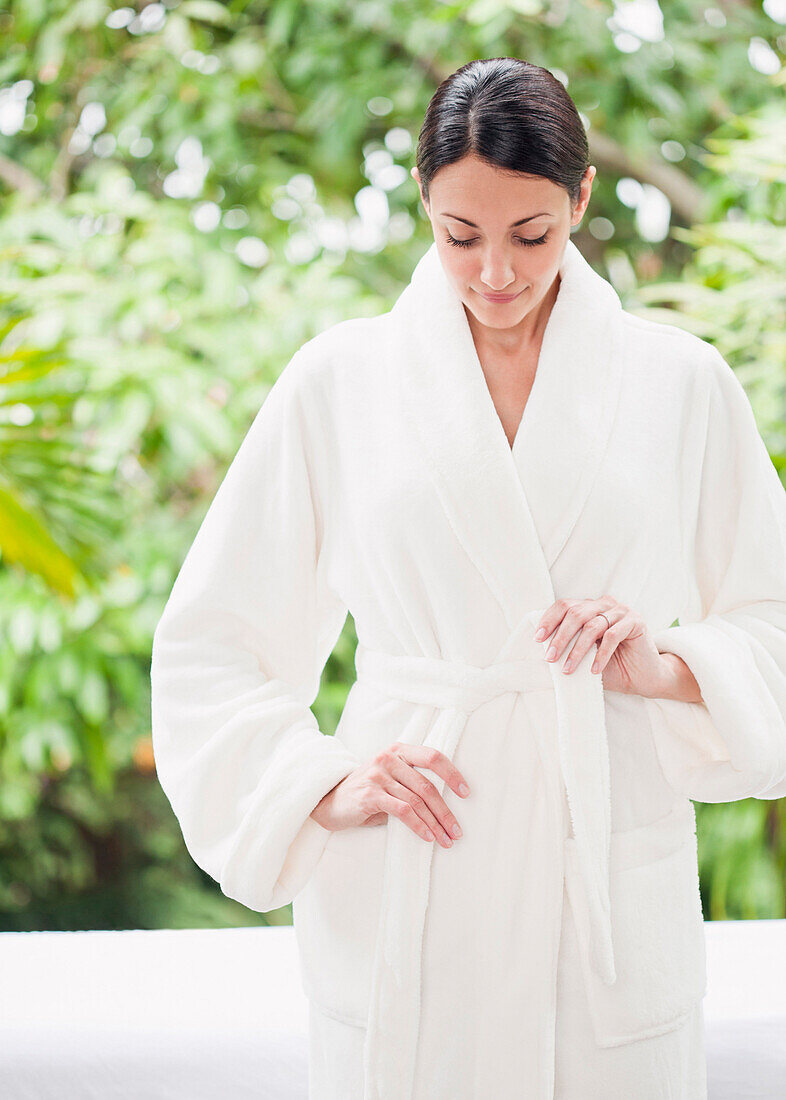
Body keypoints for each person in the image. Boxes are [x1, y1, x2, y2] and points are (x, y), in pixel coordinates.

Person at [150, 57, 786, 1099]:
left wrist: (662, 660)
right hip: (414, 855)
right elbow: (214, 641)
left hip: (604, 862)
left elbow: (774, 615)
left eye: (531, 234)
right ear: (424, 204)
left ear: (581, 199)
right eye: (460, 235)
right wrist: (320, 779)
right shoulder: (339, 381)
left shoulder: (680, 382)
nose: (495, 269)